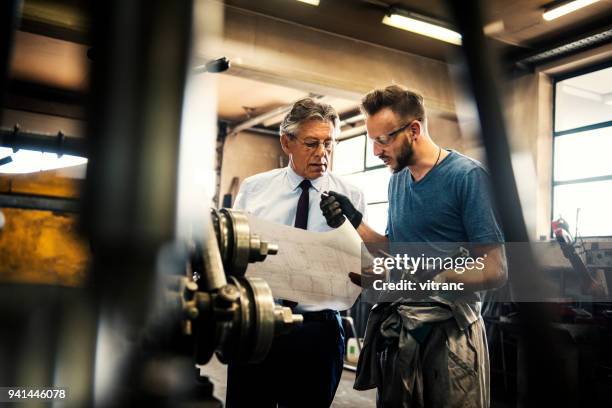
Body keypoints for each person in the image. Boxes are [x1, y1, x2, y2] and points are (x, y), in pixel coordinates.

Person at [320, 85, 507, 408]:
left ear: (414, 130)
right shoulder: (398, 180)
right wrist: (353, 220)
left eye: (383, 139)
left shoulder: (468, 177)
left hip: (451, 335)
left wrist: (438, 278)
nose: (377, 151)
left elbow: (495, 268)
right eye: (372, 141)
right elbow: (395, 250)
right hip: (404, 331)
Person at [226, 97, 366, 407]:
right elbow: (233, 253)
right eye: (311, 143)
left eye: (329, 143)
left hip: (319, 333)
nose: (322, 154)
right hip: (258, 325)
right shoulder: (254, 189)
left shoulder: (352, 196)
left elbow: (365, 267)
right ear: (287, 143)